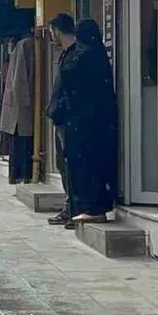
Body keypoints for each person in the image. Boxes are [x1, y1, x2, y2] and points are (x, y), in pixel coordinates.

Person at [71, 19, 119, 222]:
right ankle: (96, 204)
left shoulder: (87, 56)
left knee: (90, 164)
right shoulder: (98, 54)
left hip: (90, 121)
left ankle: (93, 207)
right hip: (100, 120)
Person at [45, 13, 83, 228]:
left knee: (69, 164)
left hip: (69, 119)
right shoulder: (67, 54)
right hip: (62, 117)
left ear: (57, 30)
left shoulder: (76, 54)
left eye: (51, 31)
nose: (51, 36)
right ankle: (70, 206)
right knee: (62, 163)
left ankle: (73, 207)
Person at [0, 25, 36, 184]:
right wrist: (28, 105)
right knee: (22, 142)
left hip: (18, 106)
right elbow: (19, 82)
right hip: (21, 108)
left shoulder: (22, 46)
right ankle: (23, 175)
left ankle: (20, 175)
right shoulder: (26, 45)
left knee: (20, 143)